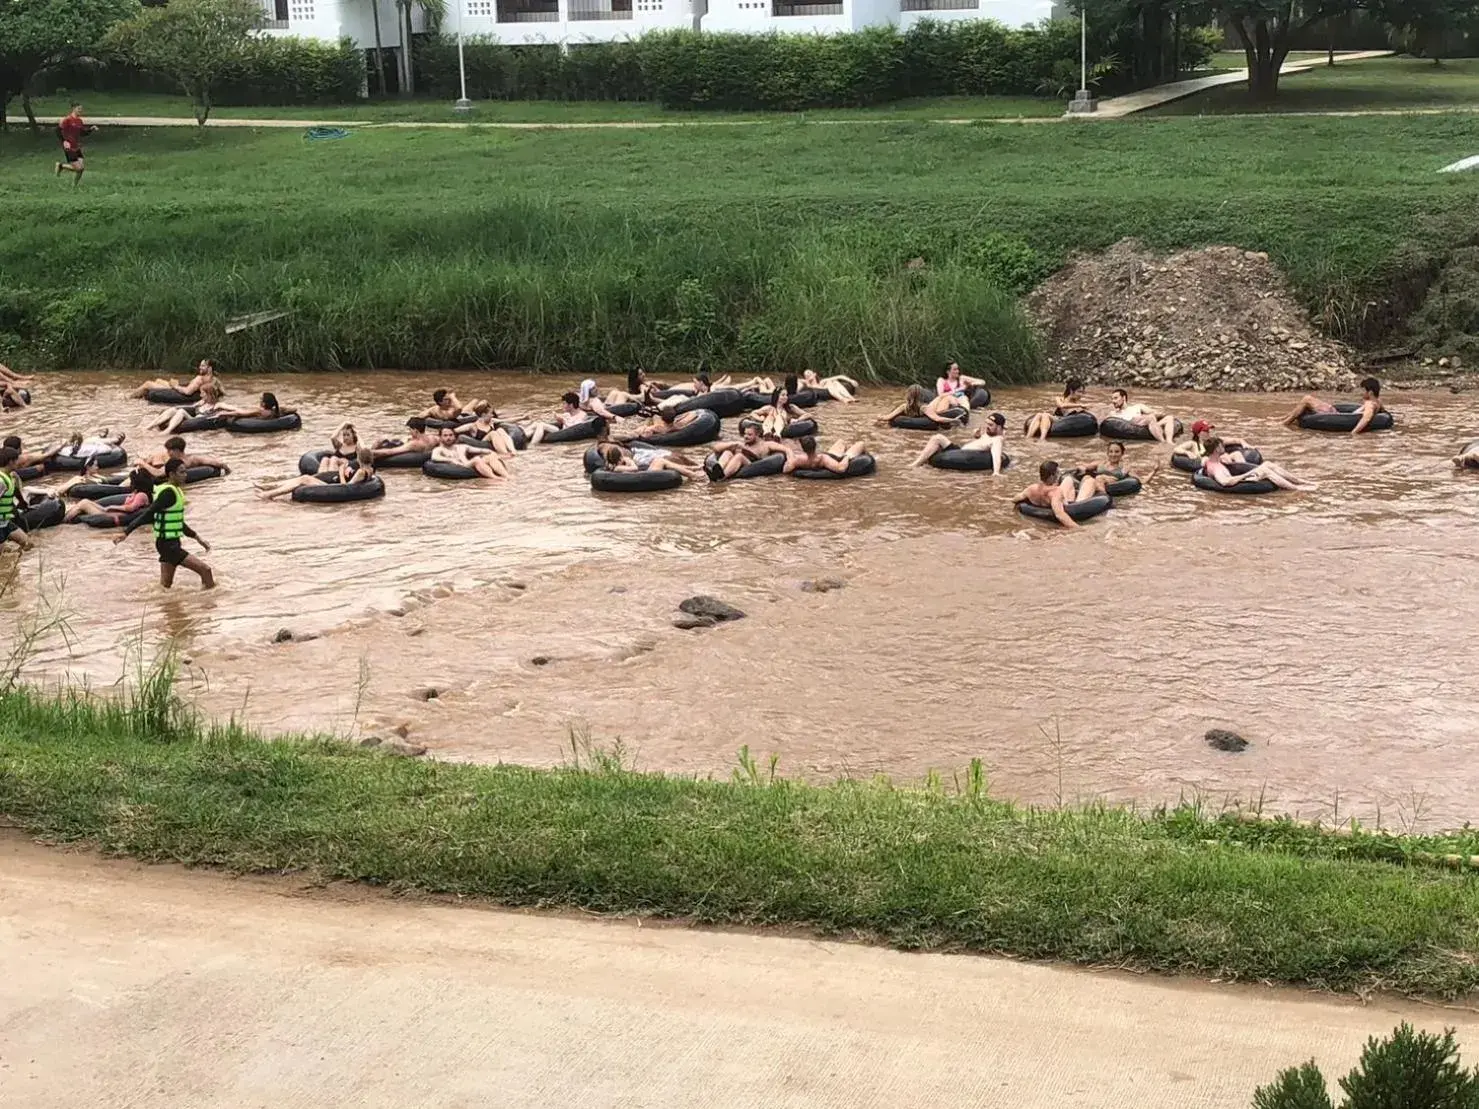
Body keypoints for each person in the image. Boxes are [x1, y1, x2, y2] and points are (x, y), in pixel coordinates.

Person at [114, 458, 214, 589]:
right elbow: (149, 513)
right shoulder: (168, 493)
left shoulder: (175, 491)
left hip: (169, 542)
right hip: (169, 545)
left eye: (185, 472)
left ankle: (165, 608)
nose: (185, 475)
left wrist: (197, 538)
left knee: (165, 587)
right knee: (205, 571)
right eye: (182, 472)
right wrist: (126, 532)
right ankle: (209, 604)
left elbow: (177, 522)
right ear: (172, 475)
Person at [259, 447, 378, 500]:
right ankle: (271, 486)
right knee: (303, 478)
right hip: (333, 484)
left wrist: (341, 474)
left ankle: (269, 493)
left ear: (359, 459)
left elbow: (347, 488)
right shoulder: (370, 470)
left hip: (334, 488)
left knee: (304, 479)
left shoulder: (361, 472)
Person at [1201, 437, 1316, 491]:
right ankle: (1295, 488)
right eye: (1221, 446)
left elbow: (1205, 462)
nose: (1224, 448)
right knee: (1264, 471)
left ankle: (1301, 481)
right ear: (1216, 450)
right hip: (1238, 482)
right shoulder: (1216, 468)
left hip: (1236, 477)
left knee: (1268, 464)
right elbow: (1226, 482)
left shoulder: (1211, 460)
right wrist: (1247, 474)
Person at [1282, 376, 1386, 435]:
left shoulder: (1370, 404)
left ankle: (1284, 423)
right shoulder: (1378, 402)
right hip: (1337, 413)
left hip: (1333, 414)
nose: (1361, 393)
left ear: (1370, 392)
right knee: (1307, 401)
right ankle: (1286, 419)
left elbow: (1366, 418)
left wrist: (1353, 433)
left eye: (1363, 391)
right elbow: (1384, 412)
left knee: (1306, 399)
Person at [912, 412, 1009, 474]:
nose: (987, 426)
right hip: (959, 451)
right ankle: (918, 462)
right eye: (986, 423)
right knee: (937, 438)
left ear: (999, 427)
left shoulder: (997, 439)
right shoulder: (990, 433)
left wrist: (996, 472)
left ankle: (915, 465)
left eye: (991, 425)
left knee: (937, 439)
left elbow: (996, 454)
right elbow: (982, 443)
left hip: (964, 456)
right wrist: (977, 435)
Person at [1013, 460, 1098, 529]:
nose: (1058, 475)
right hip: (1069, 506)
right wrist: (1079, 529)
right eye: (1057, 473)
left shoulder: (1031, 489)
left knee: (1068, 479)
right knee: (1091, 481)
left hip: (1044, 500)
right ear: (1051, 476)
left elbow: (1015, 499)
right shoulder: (1055, 492)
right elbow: (1060, 515)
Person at [64, 468, 154, 524]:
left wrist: (111, 507)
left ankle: (63, 520)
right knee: (85, 501)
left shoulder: (141, 495)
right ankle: (66, 516)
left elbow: (130, 508)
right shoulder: (140, 494)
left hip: (110, 515)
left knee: (84, 503)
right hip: (111, 513)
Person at [711, 421, 790, 478]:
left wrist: (791, 459)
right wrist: (733, 444)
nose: (746, 436)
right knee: (727, 452)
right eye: (745, 434)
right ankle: (718, 471)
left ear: (757, 435)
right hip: (738, 465)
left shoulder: (766, 445)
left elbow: (786, 449)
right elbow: (715, 448)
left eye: (749, 434)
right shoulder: (741, 444)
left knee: (739, 456)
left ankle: (722, 477)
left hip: (753, 466)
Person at [146, 380, 226, 434]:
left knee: (181, 411)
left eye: (202, 393)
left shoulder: (218, 404)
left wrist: (224, 413)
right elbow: (190, 407)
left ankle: (167, 431)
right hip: (191, 419)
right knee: (173, 410)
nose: (200, 395)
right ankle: (150, 426)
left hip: (196, 421)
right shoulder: (202, 402)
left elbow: (235, 409)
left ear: (209, 394)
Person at [522, 393, 600, 446]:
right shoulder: (567, 414)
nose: (562, 406)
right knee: (537, 423)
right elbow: (562, 423)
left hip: (564, 433)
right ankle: (521, 436)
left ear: (571, 405)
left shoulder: (582, 415)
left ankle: (533, 445)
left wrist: (564, 421)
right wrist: (558, 418)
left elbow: (575, 429)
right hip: (560, 431)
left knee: (541, 425)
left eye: (564, 403)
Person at [1023, 379, 1090, 441]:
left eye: (1082, 392)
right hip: (1056, 419)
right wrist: (1080, 405)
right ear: (1071, 391)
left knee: (1045, 415)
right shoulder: (1060, 399)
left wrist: (1080, 406)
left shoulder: (1078, 404)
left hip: (1065, 422)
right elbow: (1061, 405)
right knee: (1039, 414)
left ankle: (1042, 439)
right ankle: (1028, 438)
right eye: (1079, 392)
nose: (1081, 395)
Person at [431, 426, 509, 478]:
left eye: (451, 435)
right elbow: (434, 457)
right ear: (440, 437)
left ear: (454, 436)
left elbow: (480, 450)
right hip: (458, 466)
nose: (448, 438)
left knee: (490, 456)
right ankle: (494, 478)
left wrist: (492, 452)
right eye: (445, 435)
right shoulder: (439, 449)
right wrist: (450, 460)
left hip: (467, 464)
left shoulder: (462, 447)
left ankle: (507, 476)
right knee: (476, 459)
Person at [598, 443, 703, 481]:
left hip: (643, 474)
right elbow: (634, 469)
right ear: (620, 457)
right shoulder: (617, 468)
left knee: (661, 461)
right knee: (660, 461)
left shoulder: (614, 464)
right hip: (644, 477)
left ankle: (692, 469)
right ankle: (692, 473)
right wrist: (630, 461)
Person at [877, 384, 965, 428]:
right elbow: (937, 418)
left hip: (922, 414)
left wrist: (879, 417)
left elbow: (887, 417)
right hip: (932, 411)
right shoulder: (924, 408)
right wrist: (954, 420)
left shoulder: (904, 407)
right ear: (921, 396)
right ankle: (961, 400)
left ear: (908, 395)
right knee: (942, 397)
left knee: (941, 397)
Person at [136, 436, 228, 478]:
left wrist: (142, 463)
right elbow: (218, 463)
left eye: (169, 450)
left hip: (168, 474)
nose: (168, 452)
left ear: (176, 450)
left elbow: (158, 473)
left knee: (151, 459)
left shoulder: (176, 463)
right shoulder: (193, 458)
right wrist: (228, 471)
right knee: (154, 457)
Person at [1106, 388, 1176, 442]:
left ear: (1123, 398)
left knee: (1169, 418)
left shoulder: (1138, 406)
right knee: (1150, 418)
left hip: (1146, 425)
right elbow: (1106, 424)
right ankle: (1162, 442)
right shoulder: (1113, 413)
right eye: (1112, 399)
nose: (1113, 401)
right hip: (1132, 426)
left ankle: (1169, 441)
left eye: (1115, 398)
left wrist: (1159, 414)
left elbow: (1153, 412)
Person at [1172, 419, 1253, 466]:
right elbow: (1176, 449)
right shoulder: (1193, 444)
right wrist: (1187, 453)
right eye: (1206, 430)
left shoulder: (1216, 441)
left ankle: (1245, 469)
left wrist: (1245, 444)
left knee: (1236, 454)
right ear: (1198, 433)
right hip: (1210, 464)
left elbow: (1236, 440)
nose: (1208, 432)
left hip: (1225, 462)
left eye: (1209, 430)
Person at [1077, 439, 1159, 484]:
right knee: (1087, 478)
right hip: (1095, 484)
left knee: (1100, 477)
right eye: (1111, 451)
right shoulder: (1100, 463)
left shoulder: (1125, 468)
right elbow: (1086, 466)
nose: (1113, 454)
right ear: (1107, 453)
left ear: (1122, 453)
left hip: (1110, 486)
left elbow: (1142, 481)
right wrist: (1080, 466)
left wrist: (1154, 471)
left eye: (1117, 452)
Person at [0, 447, 34, 551]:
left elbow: (14, 491)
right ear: (10, 462)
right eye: (17, 460)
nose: (19, 463)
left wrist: (22, 502)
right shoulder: (1, 481)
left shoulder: (10, 476)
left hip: (6, 523)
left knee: (28, 544)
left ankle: (14, 563)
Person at [782, 435, 865, 474]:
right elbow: (841, 468)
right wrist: (847, 457)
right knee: (860, 443)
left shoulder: (798, 460)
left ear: (803, 448)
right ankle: (856, 453)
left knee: (841, 442)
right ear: (815, 445)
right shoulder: (823, 458)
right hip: (835, 458)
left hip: (828, 456)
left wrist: (789, 455)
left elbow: (785, 470)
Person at [55, 102, 92, 185]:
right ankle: (61, 166)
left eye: (81, 109)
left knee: (81, 169)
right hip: (69, 148)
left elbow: (82, 133)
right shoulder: (67, 119)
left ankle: (74, 186)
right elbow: (57, 131)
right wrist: (64, 141)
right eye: (79, 109)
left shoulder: (79, 121)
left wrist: (91, 129)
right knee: (79, 168)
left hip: (77, 147)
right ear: (74, 108)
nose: (80, 110)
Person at [217, 391, 295, 424]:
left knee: (236, 409)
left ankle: (220, 405)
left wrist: (225, 414)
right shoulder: (278, 410)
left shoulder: (260, 411)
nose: (259, 400)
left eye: (260, 399)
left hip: (249, 417)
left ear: (264, 404)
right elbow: (294, 409)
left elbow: (240, 413)